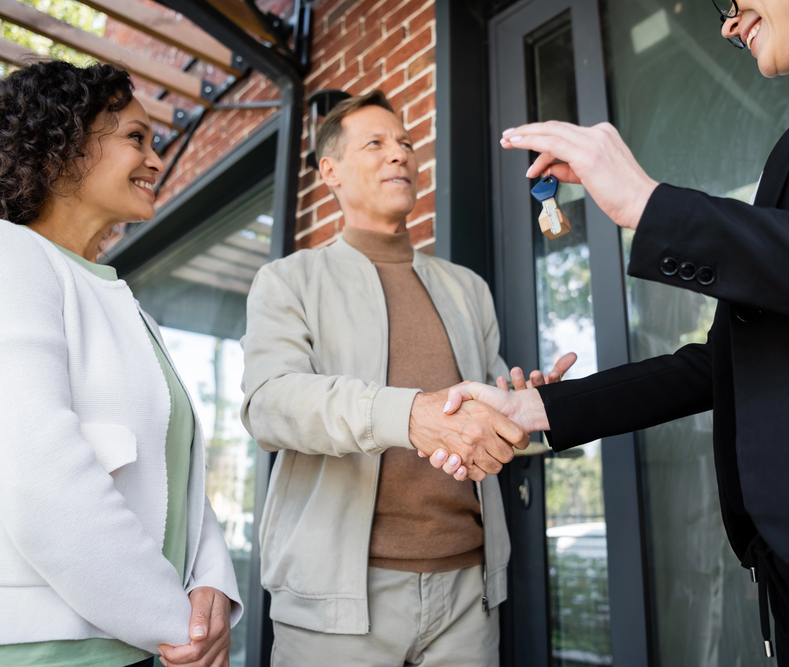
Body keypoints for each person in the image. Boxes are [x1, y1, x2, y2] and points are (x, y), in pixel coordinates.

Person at [439, 0, 789, 664]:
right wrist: (532, 407)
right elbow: (718, 362)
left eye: (735, 1)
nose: (729, 21)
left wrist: (654, 207)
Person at [239, 89, 573, 666]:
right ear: (330, 172)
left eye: (407, 144)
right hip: (337, 605)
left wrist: (522, 412)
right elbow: (270, 404)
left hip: (470, 595)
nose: (400, 155)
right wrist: (407, 415)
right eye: (376, 143)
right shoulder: (287, 280)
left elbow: (486, 422)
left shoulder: (469, 289)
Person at [0, 61, 241, 667]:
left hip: (130, 646)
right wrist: (176, 623)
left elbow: (176, 473)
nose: (157, 162)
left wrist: (211, 583)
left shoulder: (130, 307)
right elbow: (38, 473)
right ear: (57, 143)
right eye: (135, 137)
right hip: (31, 650)